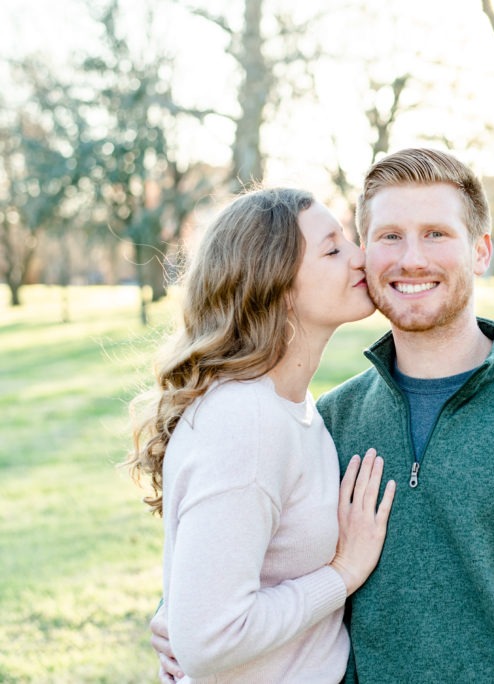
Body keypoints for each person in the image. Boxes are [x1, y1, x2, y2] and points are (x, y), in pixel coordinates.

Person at [154, 149, 494, 682]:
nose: (411, 259)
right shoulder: (329, 421)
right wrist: (177, 622)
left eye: (436, 234)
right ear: (366, 253)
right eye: (389, 236)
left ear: (480, 252)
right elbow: (233, 572)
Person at [127, 187, 396, 683]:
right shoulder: (246, 422)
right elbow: (210, 640)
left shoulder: (291, 407)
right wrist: (343, 573)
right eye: (334, 249)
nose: (361, 258)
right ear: (276, 285)